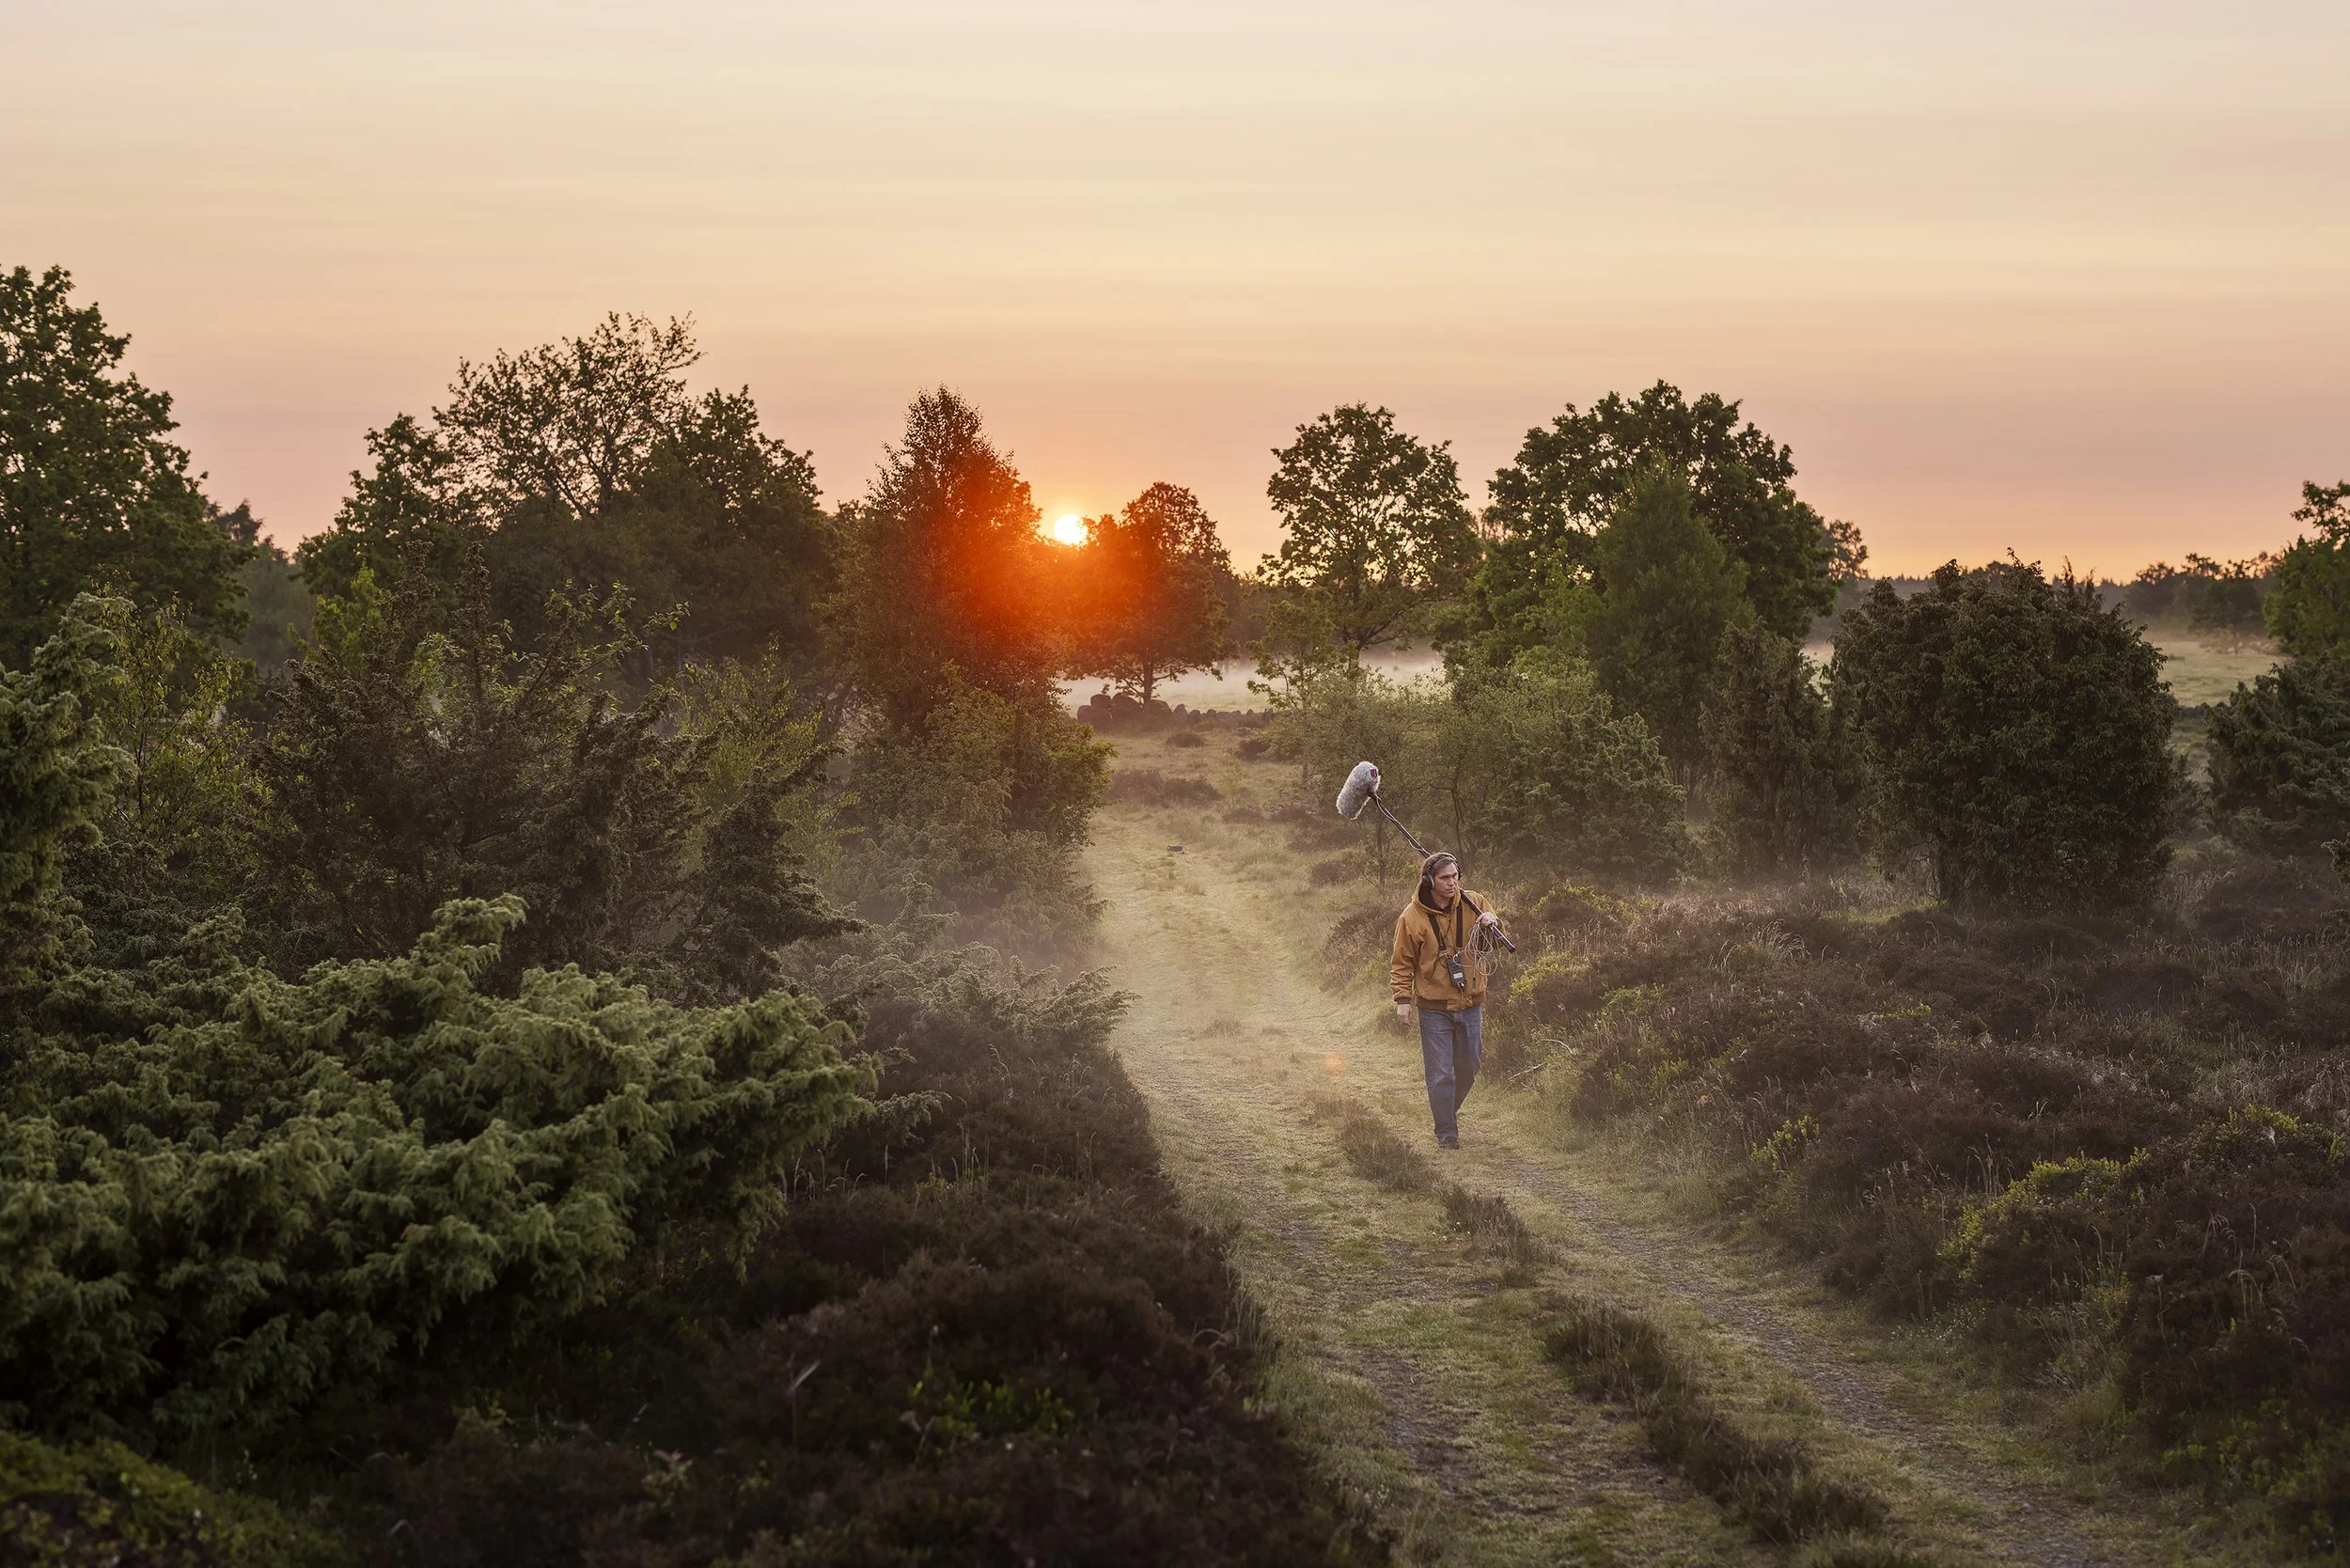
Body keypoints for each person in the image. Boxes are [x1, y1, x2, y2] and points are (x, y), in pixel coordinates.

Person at [1389, 852, 1508, 1149]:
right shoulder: (1411, 917)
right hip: (1433, 1006)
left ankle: (1445, 1114)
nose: (1452, 882)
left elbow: (1492, 944)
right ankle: (1446, 1133)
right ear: (1430, 880)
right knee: (1441, 1072)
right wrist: (1403, 999)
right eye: (1444, 877)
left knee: (1469, 1066)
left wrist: (1492, 923)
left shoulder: (1476, 903)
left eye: (1455, 876)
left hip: (1471, 1001)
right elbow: (1401, 961)